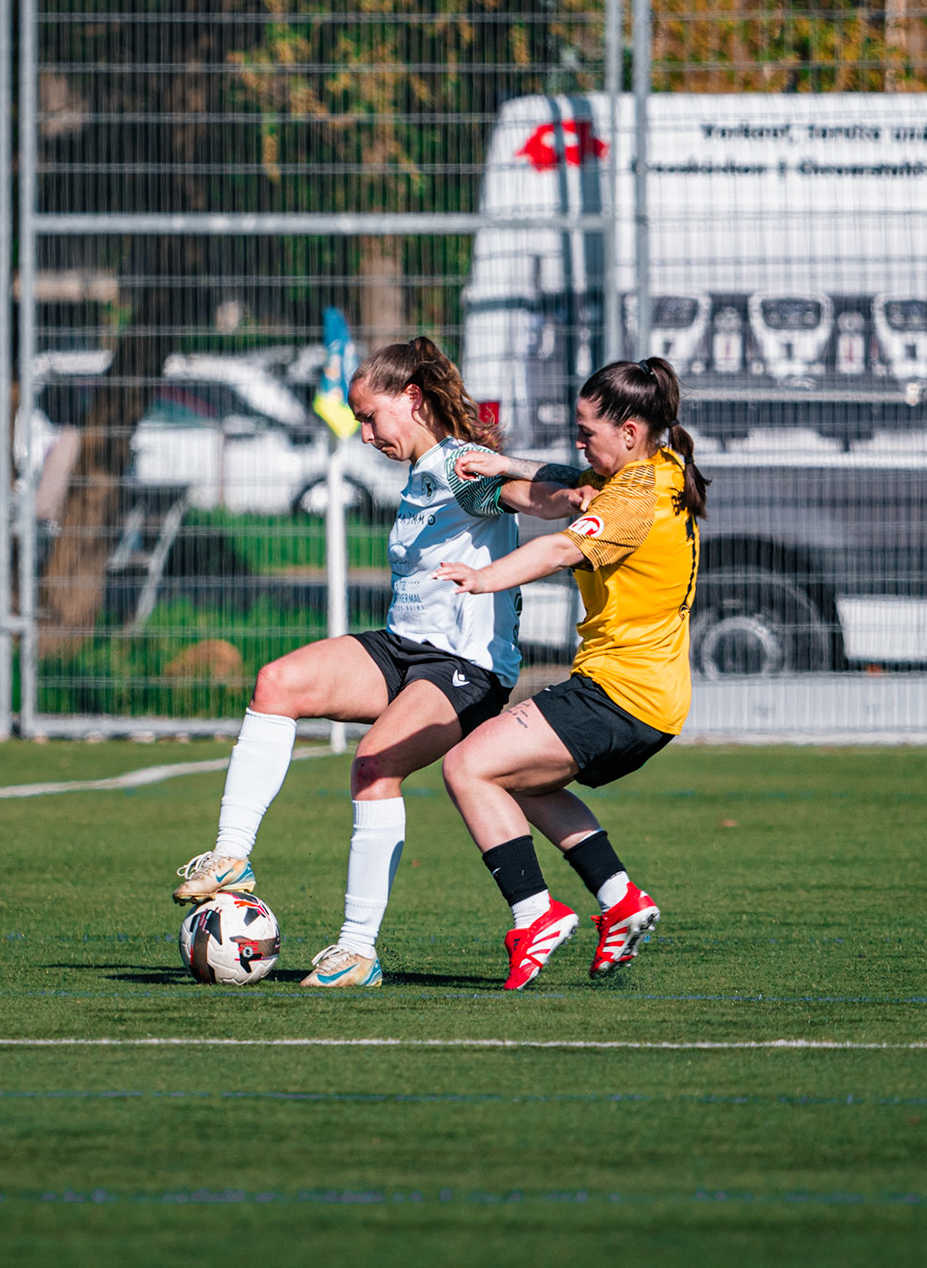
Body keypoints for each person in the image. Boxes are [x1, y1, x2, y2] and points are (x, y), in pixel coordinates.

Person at [170, 336, 585, 987]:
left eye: (370, 416)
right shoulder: (427, 472)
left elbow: (542, 497)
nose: (364, 434)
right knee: (277, 682)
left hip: (464, 669)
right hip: (402, 650)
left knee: (374, 763)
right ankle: (231, 858)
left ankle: (356, 951)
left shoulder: (460, 469)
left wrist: (565, 483)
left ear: (413, 399)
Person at [434, 356, 709, 990]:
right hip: (648, 702)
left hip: (618, 695)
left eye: (588, 430)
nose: (579, 441)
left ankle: (536, 914)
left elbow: (562, 545)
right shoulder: (658, 470)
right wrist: (507, 466)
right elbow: (572, 478)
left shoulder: (636, 499)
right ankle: (620, 899)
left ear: (631, 430)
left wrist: (482, 579)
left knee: (468, 766)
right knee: (519, 778)